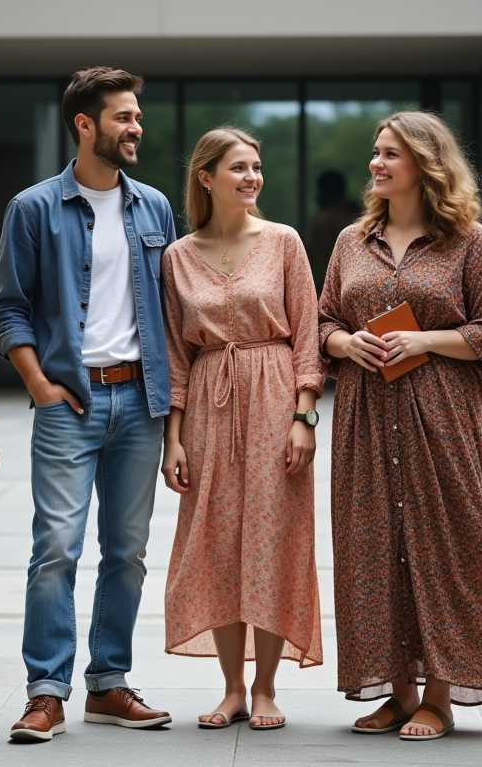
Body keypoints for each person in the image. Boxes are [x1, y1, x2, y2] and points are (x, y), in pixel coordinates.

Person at [318, 111, 482, 742]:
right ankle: (398, 694)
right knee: (372, 550)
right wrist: (344, 344)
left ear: (426, 164)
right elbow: (322, 321)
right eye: (375, 152)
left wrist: (424, 340)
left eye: (390, 153)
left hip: (441, 419)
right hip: (364, 419)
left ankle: (439, 697)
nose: (376, 163)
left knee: (449, 547)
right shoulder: (351, 242)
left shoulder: (468, 241)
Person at [0, 66, 177, 742]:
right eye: (124, 117)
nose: (136, 128)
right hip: (70, 401)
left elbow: (169, 313)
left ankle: (109, 683)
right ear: (84, 124)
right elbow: (6, 308)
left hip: (141, 402)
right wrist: (39, 384)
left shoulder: (154, 207)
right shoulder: (33, 208)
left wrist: (174, 418)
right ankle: (46, 692)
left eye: (138, 117)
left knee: (127, 551)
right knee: (57, 549)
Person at [161, 128, 325, 731]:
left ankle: (265, 689)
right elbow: (176, 354)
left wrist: (304, 416)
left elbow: (307, 334)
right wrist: (173, 437)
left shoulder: (283, 242)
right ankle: (231, 689)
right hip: (209, 405)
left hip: (276, 397)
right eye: (238, 167)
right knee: (216, 545)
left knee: (274, 540)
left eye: (256, 166)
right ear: (206, 178)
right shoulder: (177, 256)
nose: (252, 177)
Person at [304, 170, 360, 292]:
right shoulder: (359, 217)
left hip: (326, 283)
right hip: (355, 278)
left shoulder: (320, 220)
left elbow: (308, 253)